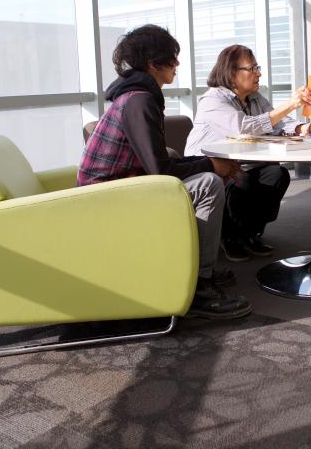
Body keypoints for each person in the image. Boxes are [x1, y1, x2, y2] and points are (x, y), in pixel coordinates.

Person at [78, 24, 251, 319]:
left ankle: (194, 271)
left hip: (114, 188)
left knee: (199, 171)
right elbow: (160, 170)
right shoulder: (140, 100)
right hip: (106, 198)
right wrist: (210, 165)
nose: (177, 64)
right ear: (152, 63)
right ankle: (199, 286)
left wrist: (209, 163)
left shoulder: (134, 95)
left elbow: (158, 163)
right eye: (172, 58)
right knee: (208, 183)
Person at [184, 44, 311, 262]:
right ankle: (229, 236)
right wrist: (291, 104)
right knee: (241, 182)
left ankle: (249, 233)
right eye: (252, 68)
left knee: (277, 175)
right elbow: (243, 128)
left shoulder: (255, 98)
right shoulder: (212, 100)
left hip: (243, 165)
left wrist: (309, 128)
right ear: (232, 73)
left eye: (258, 68)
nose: (259, 74)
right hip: (208, 168)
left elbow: (280, 123)